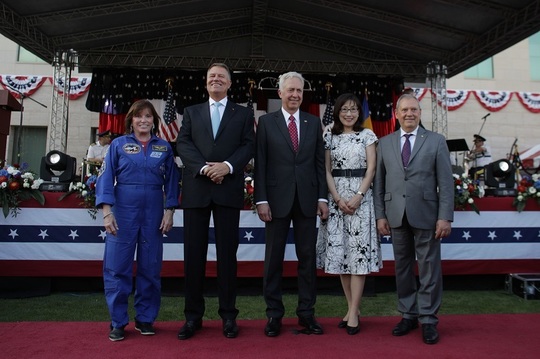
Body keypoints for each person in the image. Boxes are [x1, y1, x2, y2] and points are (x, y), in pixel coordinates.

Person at [176, 63, 255, 340]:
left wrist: (227, 167)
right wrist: (205, 168)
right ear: (206, 83)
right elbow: (183, 143)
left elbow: (248, 145)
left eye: (221, 76)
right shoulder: (191, 112)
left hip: (228, 190)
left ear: (230, 83)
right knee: (193, 257)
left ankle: (228, 317)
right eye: (212, 76)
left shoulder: (244, 114)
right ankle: (192, 317)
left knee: (227, 258)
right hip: (198, 190)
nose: (216, 79)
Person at [95, 99, 180, 342]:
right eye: (138, 116)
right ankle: (118, 321)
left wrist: (170, 210)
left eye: (148, 116)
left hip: (154, 211)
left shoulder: (164, 148)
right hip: (123, 212)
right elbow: (105, 178)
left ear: (154, 121)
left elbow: (172, 182)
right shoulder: (118, 145)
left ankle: (145, 318)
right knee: (117, 267)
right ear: (130, 120)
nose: (143, 120)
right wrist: (107, 212)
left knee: (150, 268)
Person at [373, 93, 454, 345]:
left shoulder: (436, 141)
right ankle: (408, 314)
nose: (409, 114)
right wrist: (380, 215)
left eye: (414, 110)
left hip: (428, 215)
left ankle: (428, 318)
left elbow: (446, 183)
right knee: (402, 268)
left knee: (429, 268)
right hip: (396, 214)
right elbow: (379, 183)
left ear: (420, 113)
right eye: (405, 110)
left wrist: (445, 217)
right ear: (396, 114)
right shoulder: (384, 143)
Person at [254, 71, 329, 337]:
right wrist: (260, 199)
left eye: (299, 91)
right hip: (275, 201)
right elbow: (260, 163)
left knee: (307, 260)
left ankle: (306, 315)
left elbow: (319, 164)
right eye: (291, 90)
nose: (295, 95)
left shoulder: (313, 122)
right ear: (280, 93)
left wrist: (322, 197)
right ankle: (274, 315)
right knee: (273, 260)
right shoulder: (265, 123)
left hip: (308, 200)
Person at [316, 93, 382, 335]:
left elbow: (372, 168)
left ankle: (354, 312)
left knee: (358, 257)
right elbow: (326, 170)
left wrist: (358, 196)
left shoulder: (367, 135)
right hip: (336, 201)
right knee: (342, 257)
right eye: (345, 109)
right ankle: (351, 308)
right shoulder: (328, 135)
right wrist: (336, 198)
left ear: (359, 112)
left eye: (353, 109)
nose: (349, 113)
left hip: (360, 201)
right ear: (338, 111)